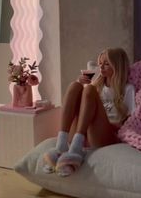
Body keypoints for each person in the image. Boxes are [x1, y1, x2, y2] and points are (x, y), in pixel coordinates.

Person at [43, 47, 135, 177]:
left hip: (105, 134)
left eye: (107, 63)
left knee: (89, 90)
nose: (102, 67)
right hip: (84, 132)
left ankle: (75, 149)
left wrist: (118, 125)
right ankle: (62, 145)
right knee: (75, 86)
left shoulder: (127, 88)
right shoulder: (97, 85)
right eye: (100, 63)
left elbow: (132, 119)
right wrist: (80, 82)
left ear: (117, 66)